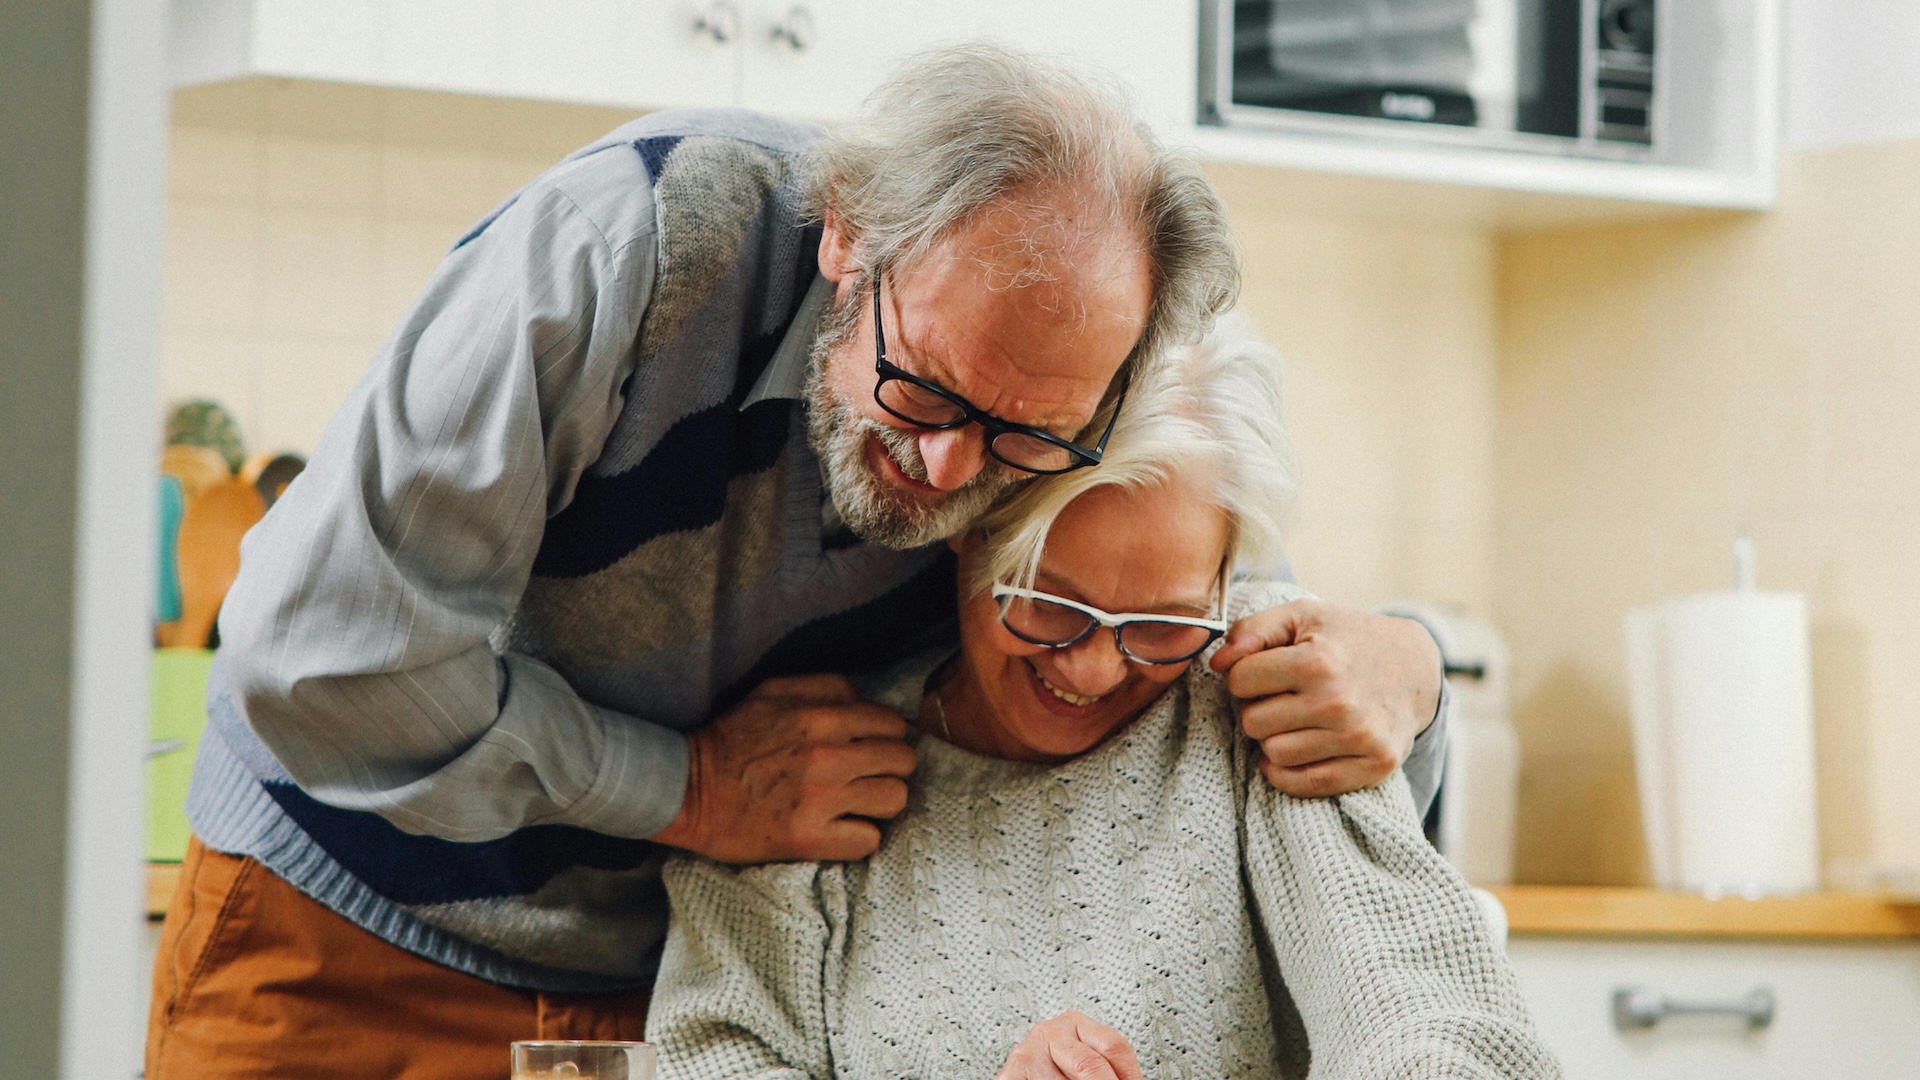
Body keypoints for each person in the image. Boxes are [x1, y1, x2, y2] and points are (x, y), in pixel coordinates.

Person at [147, 44, 1451, 1077]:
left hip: (660, 987)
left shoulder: (1080, 389)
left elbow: (1193, 578)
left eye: (1024, 438)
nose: (950, 475)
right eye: (923, 392)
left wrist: (1412, 663)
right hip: (347, 933)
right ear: (845, 237)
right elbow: (323, 658)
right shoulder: (636, 239)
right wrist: (687, 786)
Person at [648, 323, 1557, 1080]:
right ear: (967, 538)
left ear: (1225, 583)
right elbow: (708, 1061)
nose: (1089, 672)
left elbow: (1450, 1030)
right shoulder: (807, 780)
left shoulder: (1262, 698)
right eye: (1047, 603)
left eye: (1161, 625)